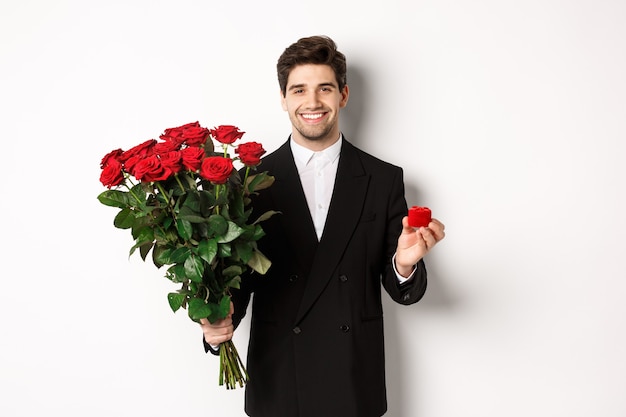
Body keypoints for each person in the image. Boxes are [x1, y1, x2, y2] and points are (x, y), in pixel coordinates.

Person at [200, 35, 445, 417]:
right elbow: (238, 282)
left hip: (352, 379)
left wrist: (403, 264)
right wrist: (217, 321)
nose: (312, 102)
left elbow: (403, 293)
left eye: (324, 88)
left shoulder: (382, 179)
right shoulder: (247, 183)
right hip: (280, 378)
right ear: (283, 99)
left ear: (343, 95)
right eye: (299, 90)